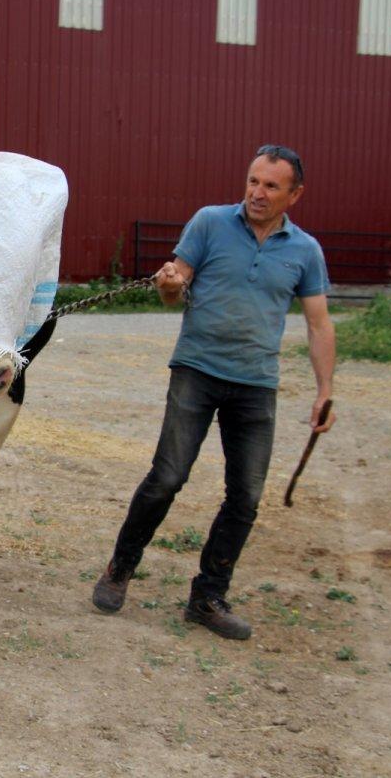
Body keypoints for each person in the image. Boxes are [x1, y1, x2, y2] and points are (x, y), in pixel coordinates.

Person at [90, 144, 337, 640]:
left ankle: (207, 598)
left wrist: (324, 391)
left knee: (245, 497)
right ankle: (120, 569)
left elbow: (318, 324)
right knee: (167, 477)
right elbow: (173, 288)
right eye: (253, 181)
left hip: (256, 384)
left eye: (271, 186)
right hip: (197, 371)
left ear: (294, 195)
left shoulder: (305, 250)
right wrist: (169, 282)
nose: (257, 193)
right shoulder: (209, 222)